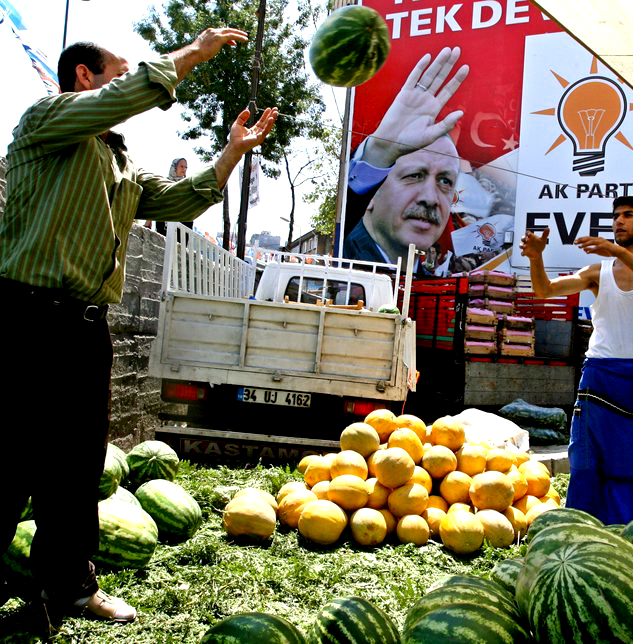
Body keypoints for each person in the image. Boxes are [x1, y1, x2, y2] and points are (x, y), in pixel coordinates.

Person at [0, 29, 278, 626]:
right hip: (26, 320)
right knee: (9, 458)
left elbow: (182, 201)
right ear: (84, 77)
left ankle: (68, 587)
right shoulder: (47, 122)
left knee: (75, 466)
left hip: (85, 331)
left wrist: (232, 151)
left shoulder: (119, 162)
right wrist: (194, 54)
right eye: (118, 73)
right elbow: (128, 95)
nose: (129, 81)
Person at [519, 196, 633, 525]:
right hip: (600, 376)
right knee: (590, 460)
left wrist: (618, 252)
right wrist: (537, 257)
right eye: (616, 216)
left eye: (628, 216)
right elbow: (544, 290)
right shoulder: (597, 271)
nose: (619, 221)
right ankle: (585, 527)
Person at [342, 47, 468, 267]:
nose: (430, 198)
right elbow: (345, 215)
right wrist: (380, 152)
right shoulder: (343, 259)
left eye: (445, 181)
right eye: (414, 175)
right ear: (371, 195)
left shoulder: (431, 287)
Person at [148, 158, 188, 232]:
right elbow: (155, 201)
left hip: (181, 224)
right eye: (181, 166)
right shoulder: (165, 183)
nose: (184, 169)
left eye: (186, 167)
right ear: (174, 167)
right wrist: (148, 221)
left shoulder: (186, 185)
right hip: (163, 222)